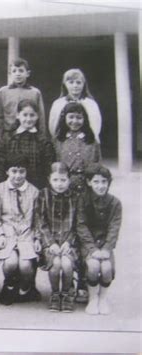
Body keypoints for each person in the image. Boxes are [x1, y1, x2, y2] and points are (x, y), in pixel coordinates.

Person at [0, 154, 41, 306]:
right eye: (14, 171)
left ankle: (25, 289)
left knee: (25, 265)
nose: (18, 176)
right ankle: (9, 286)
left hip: (26, 234)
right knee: (11, 263)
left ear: (26, 172)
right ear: (7, 172)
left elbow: (38, 220)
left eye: (22, 172)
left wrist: (37, 238)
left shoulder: (34, 192)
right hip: (8, 233)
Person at [76, 163, 122, 315]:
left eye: (104, 182)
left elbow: (114, 228)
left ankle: (103, 299)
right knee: (94, 265)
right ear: (89, 182)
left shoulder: (115, 203)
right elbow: (81, 226)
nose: (101, 186)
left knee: (107, 267)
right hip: (88, 244)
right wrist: (93, 249)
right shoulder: (82, 200)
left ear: (109, 182)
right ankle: (93, 299)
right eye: (96, 182)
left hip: (105, 244)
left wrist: (107, 249)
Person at [36, 162, 78, 312]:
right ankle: (55, 293)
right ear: (49, 179)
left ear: (69, 180)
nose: (59, 184)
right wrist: (50, 243)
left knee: (66, 264)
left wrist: (68, 242)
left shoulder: (75, 197)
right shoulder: (43, 195)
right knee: (55, 265)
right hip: (50, 242)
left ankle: (66, 293)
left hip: (68, 242)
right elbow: (41, 222)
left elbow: (77, 225)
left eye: (63, 180)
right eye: (55, 180)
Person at [0, 99, 55, 189]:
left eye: (32, 115)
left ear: (37, 116)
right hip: (11, 187)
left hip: (36, 187)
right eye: (25, 115)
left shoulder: (43, 140)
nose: (28, 119)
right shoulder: (8, 138)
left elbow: (48, 167)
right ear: (18, 115)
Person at [53, 102, 101, 195]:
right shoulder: (58, 140)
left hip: (86, 186)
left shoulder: (91, 141)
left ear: (84, 119)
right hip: (63, 185)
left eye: (79, 118)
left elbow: (98, 165)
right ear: (64, 118)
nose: (75, 121)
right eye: (71, 117)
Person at [48, 69, 102, 142]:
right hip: (64, 141)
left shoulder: (91, 104)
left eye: (78, 82)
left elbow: (96, 124)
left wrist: (91, 139)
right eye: (71, 82)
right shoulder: (58, 103)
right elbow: (53, 125)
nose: (75, 85)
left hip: (85, 140)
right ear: (65, 84)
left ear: (84, 84)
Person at [0, 58, 46, 139]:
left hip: (30, 134)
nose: (18, 74)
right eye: (14, 71)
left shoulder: (35, 92)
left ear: (28, 73)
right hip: (8, 134)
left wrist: (42, 136)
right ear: (10, 74)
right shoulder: (3, 92)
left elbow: (41, 117)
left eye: (21, 71)